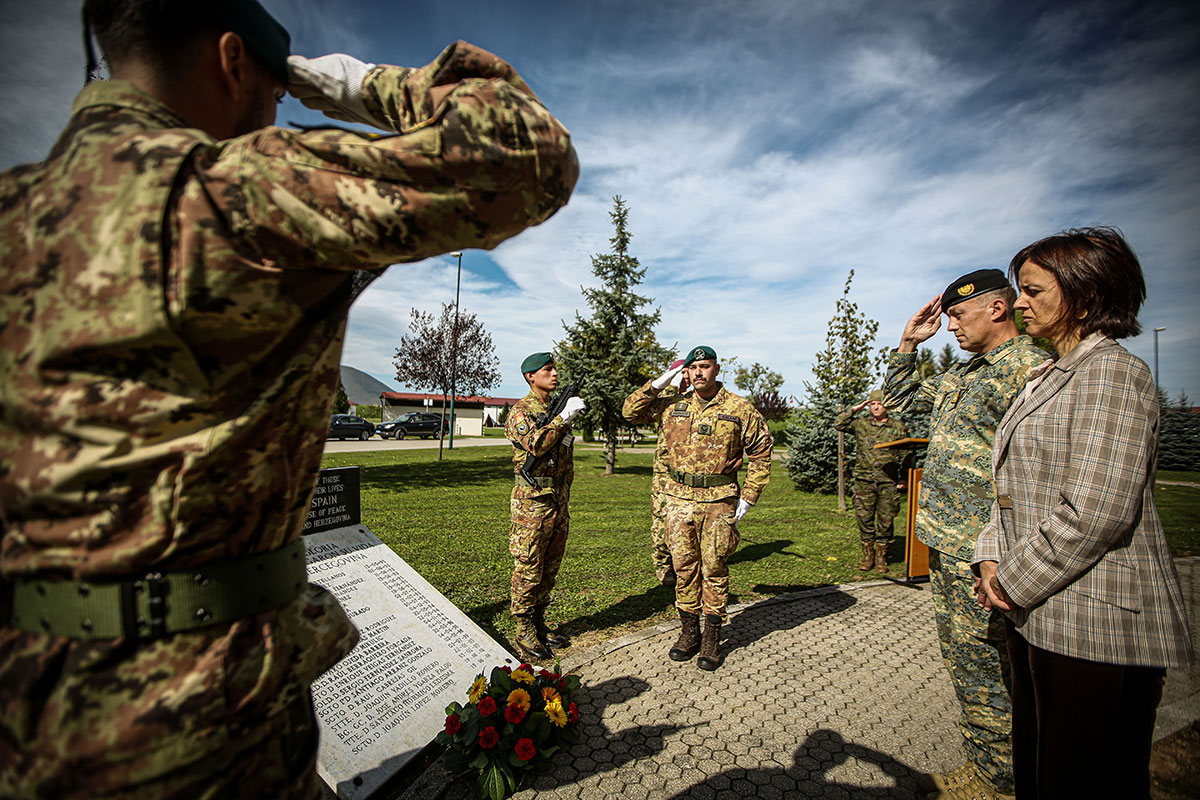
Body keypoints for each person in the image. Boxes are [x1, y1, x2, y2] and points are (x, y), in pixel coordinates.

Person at [0, 1, 578, 796]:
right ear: (235, 61)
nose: (274, 109)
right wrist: (351, 84)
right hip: (199, 722)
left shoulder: (13, 210)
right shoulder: (236, 192)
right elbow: (524, 153)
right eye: (276, 89)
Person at [973, 227, 1193, 799]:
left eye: (1032, 290)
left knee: (1086, 778)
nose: (1019, 302)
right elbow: (1009, 490)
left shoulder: (1111, 372)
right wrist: (990, 556)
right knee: (1041, 770)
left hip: (1093, 618)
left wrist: (1011, 582)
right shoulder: (1051, 373)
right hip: (1041, 608)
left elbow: (1099, 509)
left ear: (1087, 295)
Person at [883, 269, 1045, 800]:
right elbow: (903, 402)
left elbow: (1039, 471)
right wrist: (909, 342)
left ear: (995, 309)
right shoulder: (968, 373)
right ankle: (989, 770)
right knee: (969, 664)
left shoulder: (1030, 371)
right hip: (951, 548)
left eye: (957, 315)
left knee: (991, 670)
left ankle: (1001, 782)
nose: (949, 324)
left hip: (989, 555)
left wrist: (1003, 551)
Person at [623, 346, 773, 671]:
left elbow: (761, 451)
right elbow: (630, 412)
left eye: (705, 366)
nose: (699, 373)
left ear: (716, 369)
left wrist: (748, 495)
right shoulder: (673, 406)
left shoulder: (739, 409)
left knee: (715, 569)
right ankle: (689, 632)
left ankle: (711, 638)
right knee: (684, 569)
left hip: (718, 501)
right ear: (686, 372)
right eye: (693, 368)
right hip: (677, 501)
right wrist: (662, 380)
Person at [505, 352, 585, 661]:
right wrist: (563, 419)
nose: (554, 374)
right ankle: (524, 628)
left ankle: (539, 622)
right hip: (532, 505)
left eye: (554, 369)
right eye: (547, 370)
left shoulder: (554, 408)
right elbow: (536, 444)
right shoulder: (520, 413)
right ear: (530, 377)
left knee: (550, 566)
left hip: (558, 501)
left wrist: (563, 416)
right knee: (529, 566)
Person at [833, 389, 910, 574]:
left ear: (887, 406)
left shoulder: (898, 427)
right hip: (863, 481)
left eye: (879, 404)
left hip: (887, 482)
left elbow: (907, 452)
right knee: (864, 519)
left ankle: (881, 557)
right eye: (873, 404)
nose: (876, 407)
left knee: (886, 520)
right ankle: (868, 556)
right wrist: (856, 408)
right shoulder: (861, 424)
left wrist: (904, 477)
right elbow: (839, 423)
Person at [650, 359, 689, 587]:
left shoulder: (694, 399)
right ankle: (663, 565)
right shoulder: (666, 401)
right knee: (660, 520)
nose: (686, 377)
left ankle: (681, 561)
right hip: (664, 473)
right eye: (682, 373)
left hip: (688, 473)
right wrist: (670, 386)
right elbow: (637, 409)